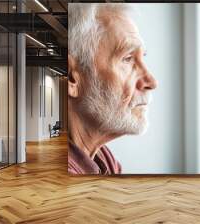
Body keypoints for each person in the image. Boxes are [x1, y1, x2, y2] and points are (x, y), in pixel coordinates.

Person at [67, 4, 157, 175]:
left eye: (141, 57)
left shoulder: (103, 158)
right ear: (72, 78)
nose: (151, 82)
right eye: (128, 59)